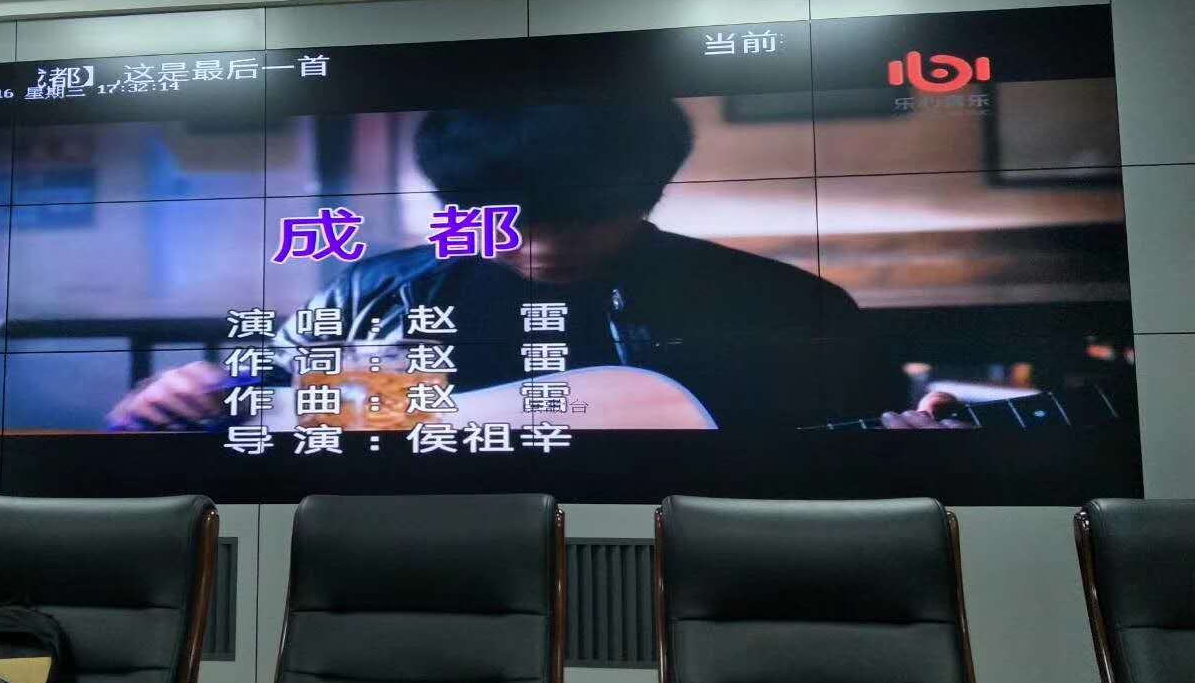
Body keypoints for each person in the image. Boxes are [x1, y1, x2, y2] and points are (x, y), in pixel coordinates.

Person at [108, 101, 965, 431]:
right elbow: (261, 403)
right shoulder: (377, 290)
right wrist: (178, 400)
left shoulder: (787, 307)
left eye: (579, 222)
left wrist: (916, 448)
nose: (540, 245)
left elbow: (875, 448)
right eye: (505, 223)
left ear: (647, 194)